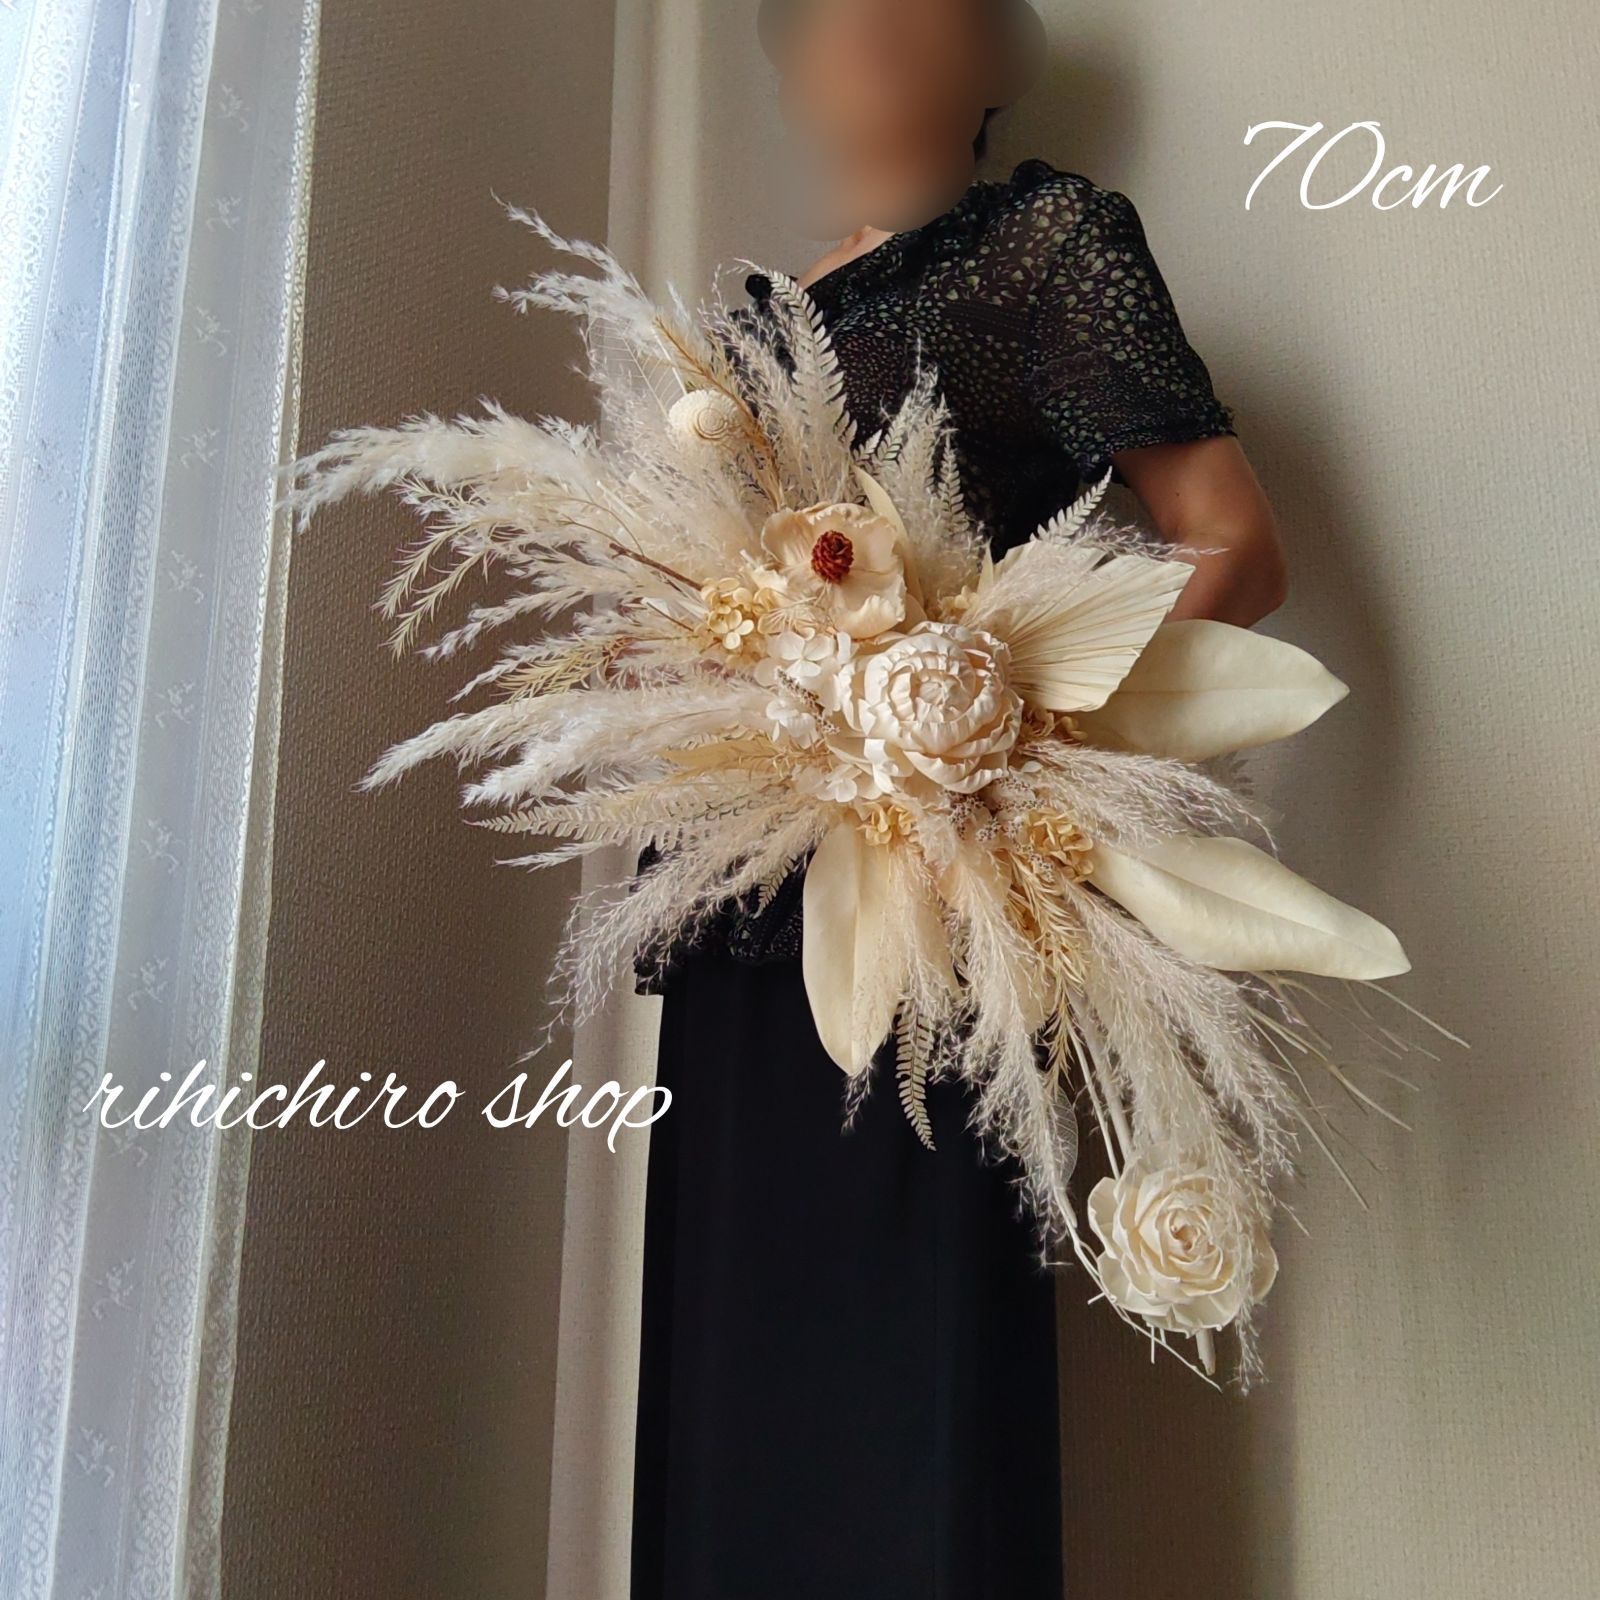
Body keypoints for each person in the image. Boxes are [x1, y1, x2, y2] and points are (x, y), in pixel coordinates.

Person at [630, 4, 1287, 1595]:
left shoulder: (1045, 248)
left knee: (907, 1373)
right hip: (743, 907)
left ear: (997, 55)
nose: (868, 29)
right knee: (735, 1374)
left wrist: (1012, 742)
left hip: (936, 890)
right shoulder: (748, 329)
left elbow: (1237, 549)